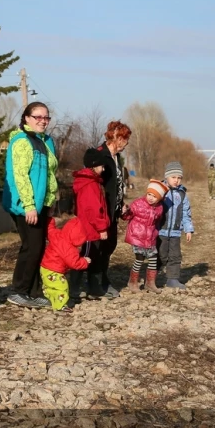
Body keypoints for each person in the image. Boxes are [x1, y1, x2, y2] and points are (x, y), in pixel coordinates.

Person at [2, 102, 58, 309]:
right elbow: (20, 177)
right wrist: (29, 205)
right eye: (38, 117)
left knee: (38, 246)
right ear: (26, 118)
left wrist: (49, 201)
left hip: (41, 203)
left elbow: (50, 173)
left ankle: (34, 292)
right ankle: (19, 290)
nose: (42, 121)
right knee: (32, 247)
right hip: (24, 204)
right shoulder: (22, 141)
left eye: (46, 117)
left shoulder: (46, 141)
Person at [88, 121, 132, 299]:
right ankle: (94, 284)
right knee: (98, 247)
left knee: (110, 245)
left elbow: (117, 184)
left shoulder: (117, 157)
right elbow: (94, 184)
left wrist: (121, 202)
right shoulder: (101, 155)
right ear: (115, 136)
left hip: (113, 210)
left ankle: (103, 279)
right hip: (101, 210)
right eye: (125, 138)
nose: (127, 143)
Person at [68, 148, 110, 304]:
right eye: (101, 166)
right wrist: (102, 228)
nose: (103, 169)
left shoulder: (88, 182)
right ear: (94, 165)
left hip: (87, 228)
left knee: (93, 257)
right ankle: (75, 289)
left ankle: (92, 287)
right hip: (89, 230)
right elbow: (94, 209)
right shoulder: (90, 184)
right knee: (84, 258)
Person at [124, 180, 169, 294]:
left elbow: (157, 220)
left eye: (154, 196)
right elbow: (128, 216)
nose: (151, 198)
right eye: (149, 194)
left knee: (153, 258)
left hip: (150, 237)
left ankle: (150, 283)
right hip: (138, 236)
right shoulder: (138, 203)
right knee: (139, 259)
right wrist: (125, 212)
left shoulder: (159, 208)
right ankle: (132, 282)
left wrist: (156, 232)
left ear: (159, 198)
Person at [40, 217, 91, 312]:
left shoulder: (57, 234)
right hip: (54, 270)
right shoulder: (69, 249)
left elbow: (50, 229)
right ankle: (60, 305)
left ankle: (50, 298)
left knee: (51, 285)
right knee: (62, 287)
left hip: (44, 267)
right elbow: (74, 263)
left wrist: (50, 219)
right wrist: (84, 261)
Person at [157, 162, 195, 290]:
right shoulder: (161, 191)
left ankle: (172, 279)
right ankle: (151, 278)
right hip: (160, 230)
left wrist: (188, 229)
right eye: (173, 177)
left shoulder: (182, 194)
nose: (176, 180)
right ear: (167, 177)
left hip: (175, 232)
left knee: (175, 255)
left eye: (179, 178)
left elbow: (186, 212)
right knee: (160, 255)